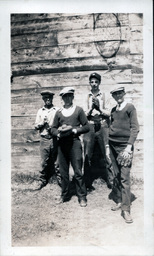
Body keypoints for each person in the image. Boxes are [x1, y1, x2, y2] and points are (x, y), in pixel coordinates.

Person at [51, 87, 89, 207]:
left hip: (74, 143)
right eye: (64, 96)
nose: (67, 98)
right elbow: (53, 128)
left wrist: (74, 130)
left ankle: (82, 196)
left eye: (69, 96)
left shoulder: (78, 110)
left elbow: (87, 126)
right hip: (62, 145)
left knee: (78, 171)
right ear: (62, 98)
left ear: (73, 97)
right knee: (63, 172)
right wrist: (58, 133)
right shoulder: (59, 112)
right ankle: (64, 195)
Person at [107, 87, 139, 223]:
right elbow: (110, 128)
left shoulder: (130, 107)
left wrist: (128, 147)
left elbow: (135, 128)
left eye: (120, 93)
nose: (118, 96)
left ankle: (126, 210)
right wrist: (108, 147)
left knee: (125, 178)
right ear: (113, 96)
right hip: (113, 146)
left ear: (124, 94)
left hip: (124, 147)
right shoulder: (114, 110)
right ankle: (119, 200)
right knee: (116, 175)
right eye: (115, 94)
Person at [83, 72, 112, 191]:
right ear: (90, 83)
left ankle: (111, 180)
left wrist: (99, 108)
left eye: (96, 82)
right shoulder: (86, 96)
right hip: (89, 126)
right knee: (87, 155)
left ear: (99, 83)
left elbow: (109, 113)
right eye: (92, 82)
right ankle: (87, 182)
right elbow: (83, 114)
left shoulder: (105, 95)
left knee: (107, 153)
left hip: (103, 125)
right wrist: (91, 109)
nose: (94, 84)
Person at [34, 90, 61, 190]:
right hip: (44, 139)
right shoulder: (40, 111)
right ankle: (42, 181)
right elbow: (36, 126)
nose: (47, 99)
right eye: (45, 98)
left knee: (57, 162)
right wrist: (42, 123)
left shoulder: (57, 110)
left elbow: (61, 124)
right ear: (43, 99)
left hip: (55, 139)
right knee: (43, 162)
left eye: (49, 97)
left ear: (52, 98)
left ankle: (61, 180)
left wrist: (53, 128)